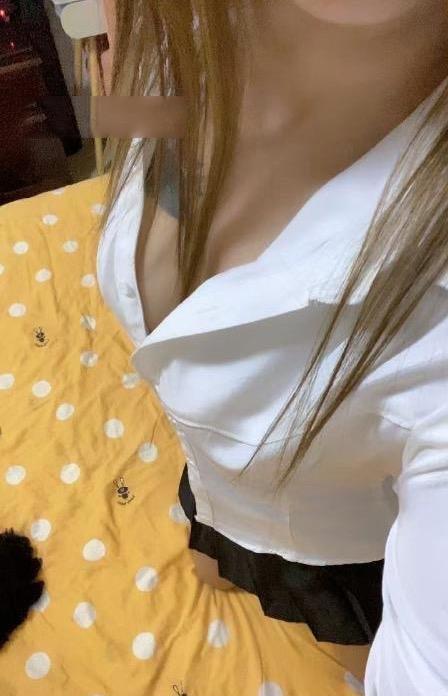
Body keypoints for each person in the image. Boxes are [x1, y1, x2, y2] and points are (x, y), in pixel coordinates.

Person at [96, 1, 448, 692]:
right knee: (210, 564)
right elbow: (125, 127)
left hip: (323, 548)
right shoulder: (173, 33)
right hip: (212, 484)